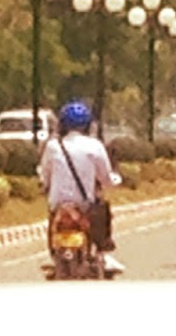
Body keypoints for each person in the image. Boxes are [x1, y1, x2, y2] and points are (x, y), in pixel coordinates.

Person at [38, 101, 124, 273]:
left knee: (53, 216)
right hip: (85, 205)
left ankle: (54, 252)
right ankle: (102, 250)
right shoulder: (95, 146)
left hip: (58, 204)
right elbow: (105, 177)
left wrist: (44, 186)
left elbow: (44, 174)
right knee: (102, 210)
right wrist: (115, 180)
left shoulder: (53, 146)